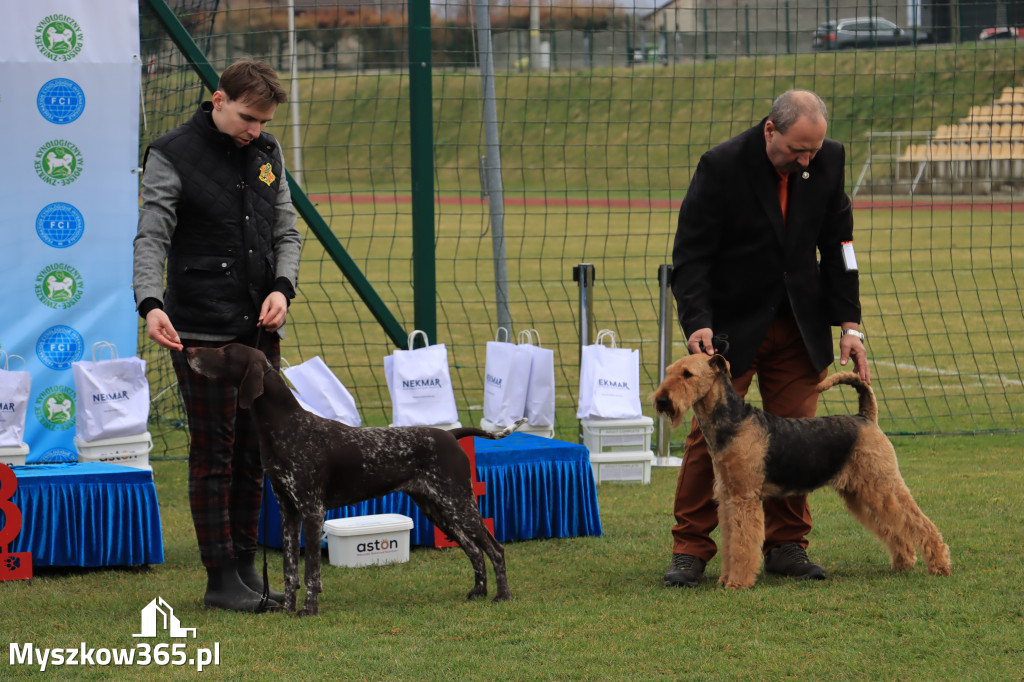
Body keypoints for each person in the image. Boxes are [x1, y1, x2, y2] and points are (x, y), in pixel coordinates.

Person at [664, 89, 870, 588]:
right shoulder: (721, 166)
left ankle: (787, 547)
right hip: (732, 330)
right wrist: (698, 323)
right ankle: (691, 550)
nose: (805, 161)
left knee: (800, 433)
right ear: (770, 130)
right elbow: (691, 257)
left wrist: (850, 324)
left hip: (801, 323)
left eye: (813, 152)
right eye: (797, 150)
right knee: (707, 438)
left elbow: (840, 244)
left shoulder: (829, 158)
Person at [133, 60, 302, 611]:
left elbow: (286, 231)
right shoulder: (169, 152)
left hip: (258, 330)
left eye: (263, 121)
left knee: (256, 450)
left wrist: (282, 287)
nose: (256, 130)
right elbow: (151, 236)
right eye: (248, 118)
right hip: (198, 332)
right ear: (218, 99)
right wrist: (150, 302)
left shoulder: (268, 152)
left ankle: (247, 568)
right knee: (214, 453)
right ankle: (219, 579)